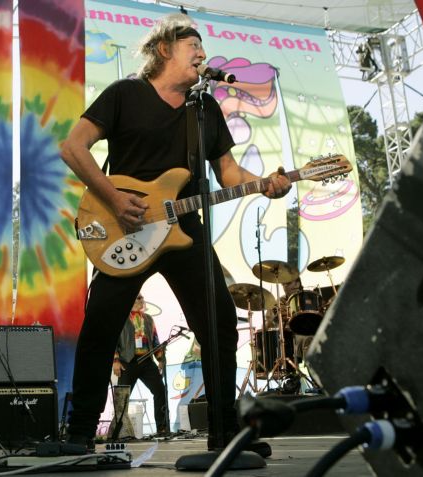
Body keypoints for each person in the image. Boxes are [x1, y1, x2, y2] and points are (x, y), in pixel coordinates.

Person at [60, 12, 291, 453]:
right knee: (100, 327)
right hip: (125, 226)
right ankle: (80, 433)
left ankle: (225, 432)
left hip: (184, 227)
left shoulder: (203, 109)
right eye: (193, 46)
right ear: (164, 49)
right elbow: (73, 147)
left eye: (203, 47)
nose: (202, 53)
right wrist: (114, 199)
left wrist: (267, 184)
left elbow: (228, 173)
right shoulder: (125, 94)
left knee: (220, 325)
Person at [113, 293, 168, 436]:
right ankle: (119, 431)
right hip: (128, 362)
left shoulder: (148, 319)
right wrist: (116, 361)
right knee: (122, 398)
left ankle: (162, 428)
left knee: (160, 390)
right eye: (138, 298)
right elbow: (113, 342)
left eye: (142, 298)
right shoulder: (120, 318)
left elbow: (155, 340)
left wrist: (161, 359)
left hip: (147, 361)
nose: (142, 300)